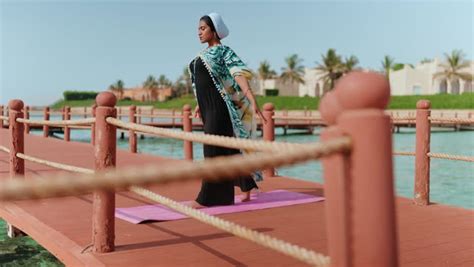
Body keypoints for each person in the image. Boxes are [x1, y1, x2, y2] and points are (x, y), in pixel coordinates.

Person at [188, 13, 265, 207]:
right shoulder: (202, 55)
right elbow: (208, 83)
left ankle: (211, 198)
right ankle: (246, 186)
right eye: (198, 29)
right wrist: (199, 103)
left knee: (212, 149)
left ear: (214, 31)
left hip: (219, 108)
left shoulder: (223, 51)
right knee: (228, 148)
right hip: (208, 107)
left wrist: (252, 99)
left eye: (203, 28)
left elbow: (237, 74)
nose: (199, 32)